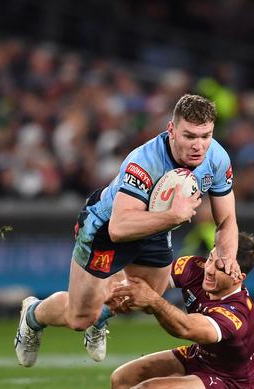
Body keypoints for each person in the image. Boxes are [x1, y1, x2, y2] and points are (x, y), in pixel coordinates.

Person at [15, 94, 240, 366]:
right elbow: (119, 228)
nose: (199, 145)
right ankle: (33, 315)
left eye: (205, 136)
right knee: (79, 317)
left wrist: (228, 257)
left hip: (155, 229)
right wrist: (173, 215)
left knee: (148, 299)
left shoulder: (216, 157)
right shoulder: (144, 162)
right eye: (189, 136)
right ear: (171, 130)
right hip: (104, 230)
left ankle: (99, 319)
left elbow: (227, 220)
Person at [21, 232, 254, 389]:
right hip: (200, 356)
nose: (208, 269)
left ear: (239, 276)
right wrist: (110, 301)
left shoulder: (236, 314)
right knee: (121, 382)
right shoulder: (194, 267)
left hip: (227, 382)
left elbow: (185, 328)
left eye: (219, 267)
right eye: (209, 259)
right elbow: (152, 283)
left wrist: (152, 300)